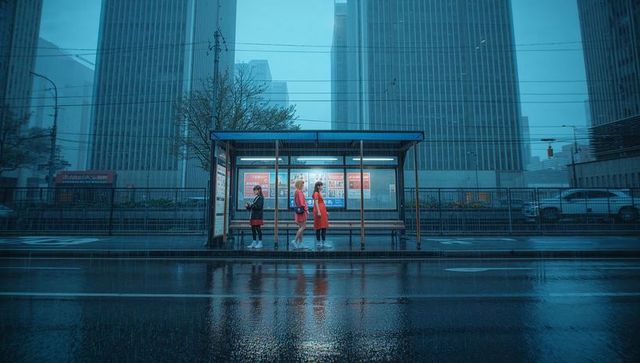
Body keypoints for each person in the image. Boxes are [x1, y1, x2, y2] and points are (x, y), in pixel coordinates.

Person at [312, 181, 330, 249]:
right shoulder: (316, 193)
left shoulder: (319, 193)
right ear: (318, 186)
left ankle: (322, 242)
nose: (322, 187)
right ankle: (319, 243)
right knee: (319, 227)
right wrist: (319, 211)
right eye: (321, 185)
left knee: (323, 227)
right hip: (319, 212)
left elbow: (320, 202)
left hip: (322, 212)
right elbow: (316, 203)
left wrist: (325, 211)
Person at [245, 185, 264, 249]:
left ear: (259, 190)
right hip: (253, 216)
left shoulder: (260, 198)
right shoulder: (256, 197)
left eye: (255, 190)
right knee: (253, 229)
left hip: (257, 216)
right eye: (254, 190)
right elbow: (253, 207)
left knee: (258, 229)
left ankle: (260, 242)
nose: (254, 191)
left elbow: (259, 207)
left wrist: (251, 205)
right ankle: (254, 242)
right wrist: (248, 206)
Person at [292, 179, 308, 249]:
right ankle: (295, 241)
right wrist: (306, 210)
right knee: (303, 227)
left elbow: (297, 202)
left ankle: (300, 243)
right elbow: (302, 203)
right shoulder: (300, 192)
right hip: (302, 212)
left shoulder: (296, 192)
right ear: (300, 185)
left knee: (300, 227)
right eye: (302, 184)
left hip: (298, 212)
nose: (303, 186)